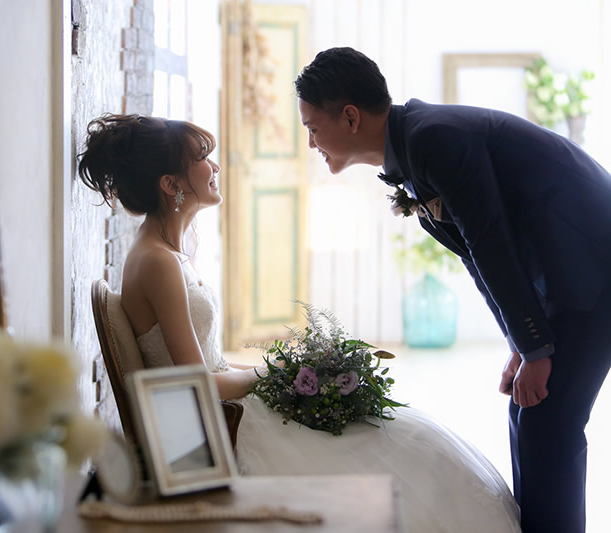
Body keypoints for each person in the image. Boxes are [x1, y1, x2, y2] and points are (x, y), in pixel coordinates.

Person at [78, 113, 521, 532]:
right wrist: (278, 373)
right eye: (202, 158)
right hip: (210, 431)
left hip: (219, 412)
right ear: (171, 184)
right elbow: (198, 384)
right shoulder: (157, 262)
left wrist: (285, 369)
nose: (215, 166)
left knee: (404, 435)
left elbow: (207, 367)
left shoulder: (170, 252)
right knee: (397, 449)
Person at [294, 46, 611, 533]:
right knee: (529, 413)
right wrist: (523, 344)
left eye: (313, 128)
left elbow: (490, 243)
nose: (311, 142)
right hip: (568, 277)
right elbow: (476, 256)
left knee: (549, 422)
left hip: (594, 268)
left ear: (351, 117)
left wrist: (536, 348)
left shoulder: (434, 138)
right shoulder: (414, 147)